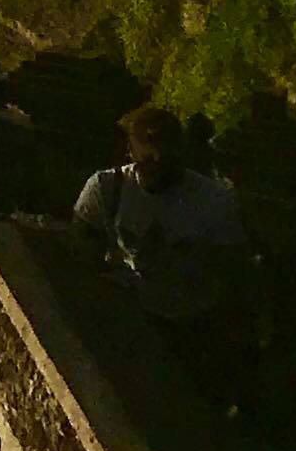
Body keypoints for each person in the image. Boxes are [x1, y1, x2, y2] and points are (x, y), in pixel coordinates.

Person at [73, 105, 258, 406]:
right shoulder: (106, 188)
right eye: (149, 159)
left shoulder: (213, 201)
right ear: (130, 153)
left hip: (193, 326)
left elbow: (233, 270)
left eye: (166, 159)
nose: (157, 166)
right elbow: (82, 248)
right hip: (129, 319)